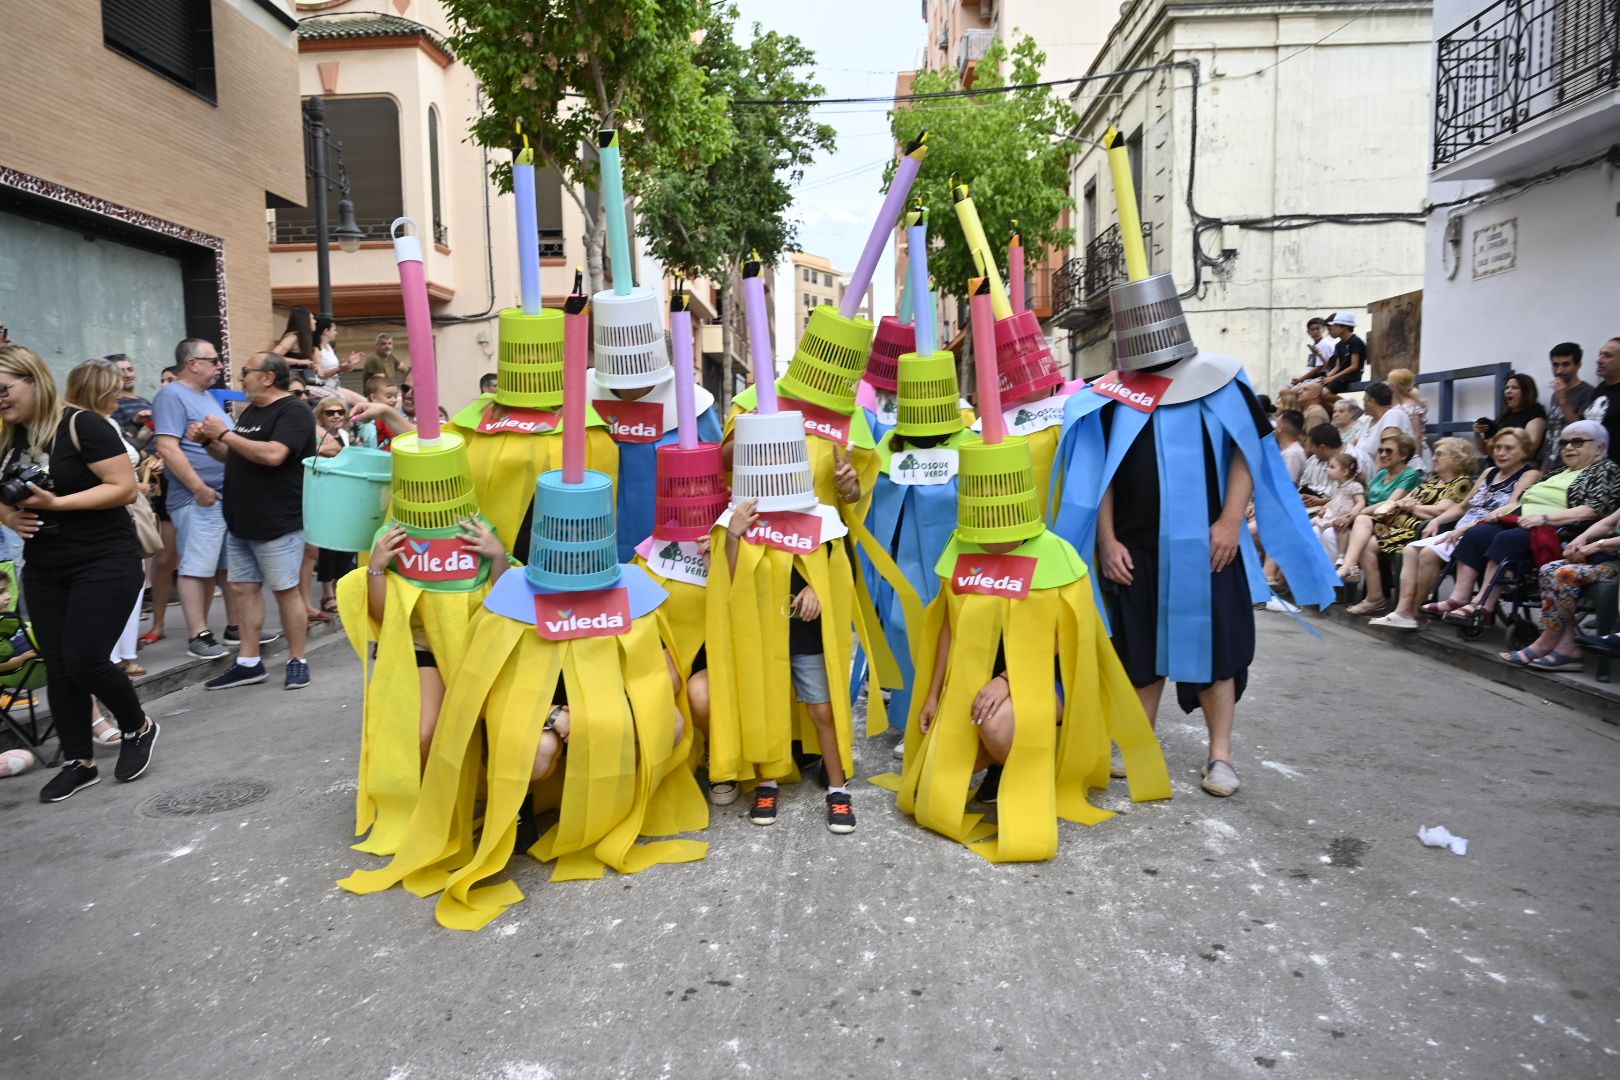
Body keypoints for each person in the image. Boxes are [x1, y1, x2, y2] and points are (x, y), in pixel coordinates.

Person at [897, 434, 1171, 861]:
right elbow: (949, 628)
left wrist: (1006, 682)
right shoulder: (961, 546)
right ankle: (1002, 761)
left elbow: (1069, 637)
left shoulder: (1057, 556)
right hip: (979, 680)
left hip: (1047, 681)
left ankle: (1029, 779)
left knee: (994, 726)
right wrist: (933, 696)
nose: (988, 542)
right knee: (929, 781)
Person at [0, 345, 158, 802]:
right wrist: (10, 518)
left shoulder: (81, 424)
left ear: (34, 379)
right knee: (59, 666)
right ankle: (78, 761)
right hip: (46, 566)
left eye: (4, 389)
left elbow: (124, 488)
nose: (0, 400)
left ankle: (138, 727)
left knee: (84, 658)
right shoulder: (8, 435)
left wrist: (56, 505)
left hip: (104, 559)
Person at [193, 353, 318, 691]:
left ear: (267, 377)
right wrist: (209, 440)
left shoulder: (294, 411)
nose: (239, 377)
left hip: (277, 520)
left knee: (286, 592)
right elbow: (235, 454)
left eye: (246, 372)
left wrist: (224, 433)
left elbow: (273, 455)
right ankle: (249, 662)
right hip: (241, 519)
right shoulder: (251, 411)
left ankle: (297, 660)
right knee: (243, 589)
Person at [1432, 420, 1620, 624]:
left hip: (1559, 529)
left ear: (1600, 448)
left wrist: (1545, 518)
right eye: (1564, 442)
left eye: (1577, 442)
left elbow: (1593, 510)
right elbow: (1522, 500)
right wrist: (1491, 517)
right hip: (1522, 519)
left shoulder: (1605, 469)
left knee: (1508, 539)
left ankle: (1483, 604)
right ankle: (1459, 597)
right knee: (1476, 534)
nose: (1568, 447)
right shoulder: (1558, 471)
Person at [1375, 427, 1540, 629]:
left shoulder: (1529, 473)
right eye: (1497, 447)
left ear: (1524, 451)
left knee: (1427, 553)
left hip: (1485, 532)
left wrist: (1467, 527)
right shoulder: (1489, 472)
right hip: (1462, 530)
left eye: (1508, 448)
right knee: (1411, 549)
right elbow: (1463, 507)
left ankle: (1414, 611)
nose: (1500, 452)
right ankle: (1402, 610)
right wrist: (1438, 520)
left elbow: (1512, 506)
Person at [151, 338, 239, 658]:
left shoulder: (206, 398)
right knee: (196, 568)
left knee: (229, 567)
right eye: (213, 360)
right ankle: (198, 635)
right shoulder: (172, 395)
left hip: (223, 496)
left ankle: (235, 627)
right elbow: (168, 447)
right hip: (199, 498)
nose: (219, 366)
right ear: (192, 364)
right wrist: (197, 487)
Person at [67, 358, 147, 679]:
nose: (119, 394)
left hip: (125, 512)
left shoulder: (108, 421)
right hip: (106, 519)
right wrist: (133, 484)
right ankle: (109, 659)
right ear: (94, 390)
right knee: (113, 590)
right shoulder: (85, 424)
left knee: (132, 585)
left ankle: (123, 655)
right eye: (112, 389)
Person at [1341, 436, 1477, 618]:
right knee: (1364, 535)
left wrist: (1414, 507)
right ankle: (1372, 595)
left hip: (1417, 530)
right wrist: (1409, 505)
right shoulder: (1433, 480)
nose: (1434, 458)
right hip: (1398, 525)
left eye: (1439, 455)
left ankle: (1359, 580)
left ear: (1457, 457)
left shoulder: (1461, 482)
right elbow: (1403, 501)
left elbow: (1442, 510)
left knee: (1364, 531)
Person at [1502, 505, 1620, 670]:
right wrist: (1581, 539)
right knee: (1548, 569)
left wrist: (1598, 545)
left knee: (1565, 574)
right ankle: (1567, 643)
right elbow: (1607, 523)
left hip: (1616, 566)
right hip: (1605, 559)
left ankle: (1546, 642)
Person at [1336, 429, 1423, 608]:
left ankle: (1349, 566)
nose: (1382, 454)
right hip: (1372, 524)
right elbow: (1365, 499)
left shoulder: (1410, 475)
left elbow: (1390, 503)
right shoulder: (1382, 473)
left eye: (1388, 451)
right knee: (1348, 534)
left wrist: (1358, 514)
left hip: (1393, 522)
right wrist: (1351, 513)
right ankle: (1374, 598)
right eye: (1381, 450)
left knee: (1360, 522)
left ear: (1404, 454)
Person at [1542, 343, 1594, 473]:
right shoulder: (1556, 394)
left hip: (1571, 467)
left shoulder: (1588, 392)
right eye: (1555, 365)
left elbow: (1581, 431)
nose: (1559, 370)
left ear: (1578, 365)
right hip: (1550, 465)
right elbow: (1552, 431)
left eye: (1566, 364)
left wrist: (1563, 400)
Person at [1307, 452, 1366, 563]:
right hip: (1331, 516)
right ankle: (1319, 562)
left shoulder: (1354, 486)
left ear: (1344, 472)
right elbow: (1334, 500)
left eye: (1332, 467)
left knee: (1329, 534)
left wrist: (1351, 515)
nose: (1327, 469)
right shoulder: (1337, 486)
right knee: (1314, 531)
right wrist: (1324, 507)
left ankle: (1336, 560)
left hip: (1342, 520)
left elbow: (1360, 502)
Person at [1350, 382, 1419, 473]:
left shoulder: (1393, 414)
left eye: (1364, 401)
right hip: (1373, 475)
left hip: (1399, 475)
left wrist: (1372, 482)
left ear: (1371, 402)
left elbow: (1387, 451)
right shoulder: (1368, 420)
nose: (1363, 405)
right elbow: (1351, 446)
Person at [1475, 371, 1547, 457]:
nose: (1508, 391)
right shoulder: (1504, 415)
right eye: (1507, 388)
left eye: (1514, 387)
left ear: (1526, 392)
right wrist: (1478, 433)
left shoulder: (1535, 413)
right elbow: (1485, 451)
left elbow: (1529, 449)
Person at [1583, 338, 1620, 462]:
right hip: (1593, 464)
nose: (1599, 361)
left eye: (1607, 356)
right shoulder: (1601, 388)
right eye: (1600, 354)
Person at [1319, 312, 1367, 396]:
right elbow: (1338, 366)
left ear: (1344, 327)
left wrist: (1332, 378)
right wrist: (1326, 377)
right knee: (1315, 391)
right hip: (1339, 376)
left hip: (1351, 377)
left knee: (1324, 394)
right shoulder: (1339, 345)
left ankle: (1348, 407)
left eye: (1336, 326)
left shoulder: (1355, 341)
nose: (1333, 329)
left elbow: (1354, 366)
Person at [1289, 316, 1336, 384]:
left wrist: (1300, 379)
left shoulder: (1324, 345)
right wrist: (1300, 378)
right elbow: (1311, 366)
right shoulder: (1315, 346)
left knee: (1291, 391)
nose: (1315, 332)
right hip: (1312, 378)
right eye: (1312, 329)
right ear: (1308, 332)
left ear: (1324, 329)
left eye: (1318, 329)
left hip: (1322, 377)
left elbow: (1321, 367)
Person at [1275, 410, 1307, 484]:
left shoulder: (1293, 454)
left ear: (1280, 428)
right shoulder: (1287, 450)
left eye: (1277, 424)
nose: (1274, 428)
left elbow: (1286, 484)